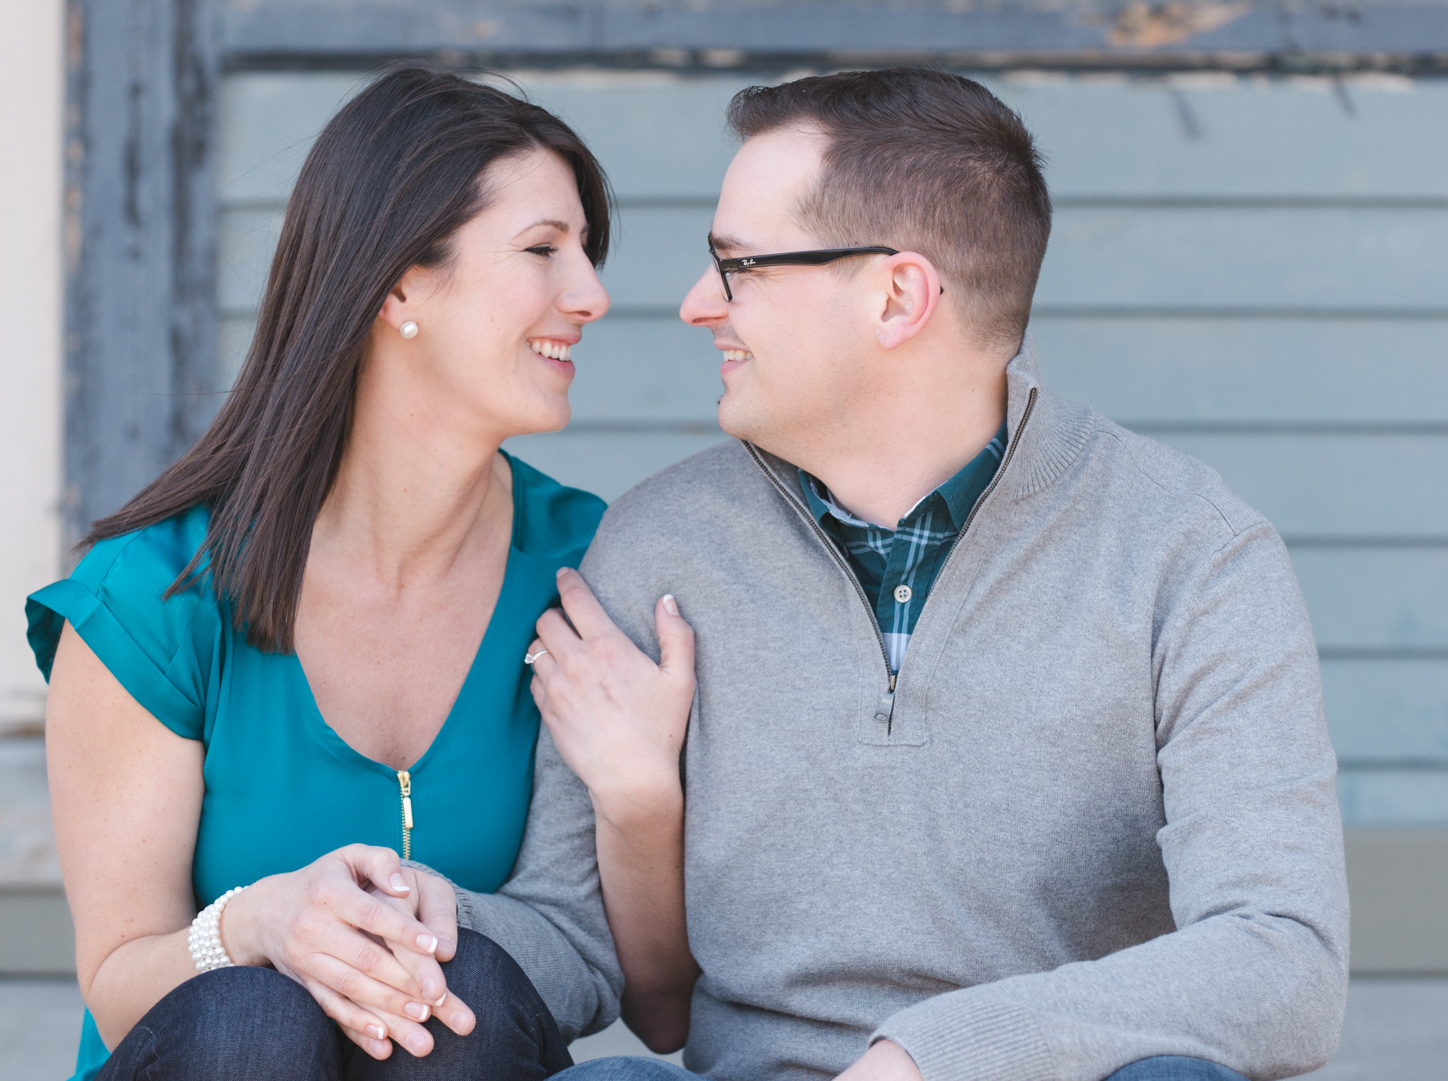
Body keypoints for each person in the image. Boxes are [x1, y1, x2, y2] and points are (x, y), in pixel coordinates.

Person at [451, 69, 1351, 1081]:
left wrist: (931, 1057)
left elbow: (1284, 961)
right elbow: (581, 956)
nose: (697, 306)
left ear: (897, 295)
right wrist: (402, 913)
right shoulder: (663, 545)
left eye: (739, 266)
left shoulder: (1189, 556)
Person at [25, 65, 626, 1081]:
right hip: (220, 1058)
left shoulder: (585, 571)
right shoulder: (156, 594)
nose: (594, 297)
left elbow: (611, 964)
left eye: (586, 253)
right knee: (254, 1018)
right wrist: (257, 923)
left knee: (461, 992)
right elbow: (119, 978)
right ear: (397, 284)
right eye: (542, 252)